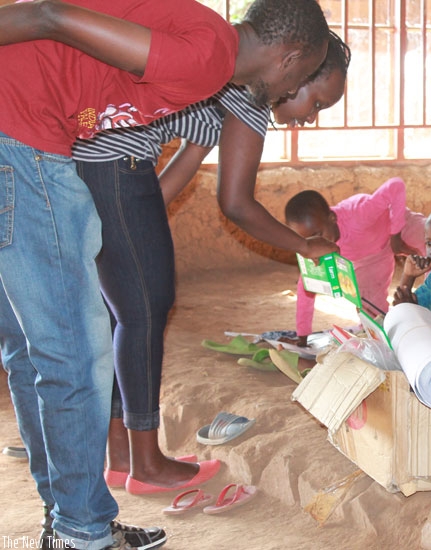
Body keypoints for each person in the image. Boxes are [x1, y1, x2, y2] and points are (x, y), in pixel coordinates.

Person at [0, 0, 330, 547]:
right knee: (76, 356)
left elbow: (85, 84)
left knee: (36, 350)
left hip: (29, 138)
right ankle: (82, 532)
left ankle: (71, 523)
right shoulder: (209, 54)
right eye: (305, 76)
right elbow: (48, 17)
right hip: (22, 143)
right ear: (291, 56)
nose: (298, 88)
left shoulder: (209, 65)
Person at [71, 32, 348, 495]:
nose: (311, 118)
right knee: (144, 313)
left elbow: (187, 157)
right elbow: (237, 203)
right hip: (116, 158)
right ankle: (146, 464)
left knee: (129, 313)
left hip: (102, 154)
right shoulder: (253, 94)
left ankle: (121, 456)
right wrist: (303, 246)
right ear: (294, 74)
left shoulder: (228, 85)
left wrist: (135, 224)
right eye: (316, 102)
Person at [284, 178, 425, 345]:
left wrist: (396, 236)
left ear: (331, 218)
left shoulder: (359, 213)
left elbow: (396, 185)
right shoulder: (316, 249)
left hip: (397, 224)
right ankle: (393, 335)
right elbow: (307, 285)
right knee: (370, 311)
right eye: (308, 241)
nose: (315, 243)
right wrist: (302, 336)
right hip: (370, 258)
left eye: (318, 234)